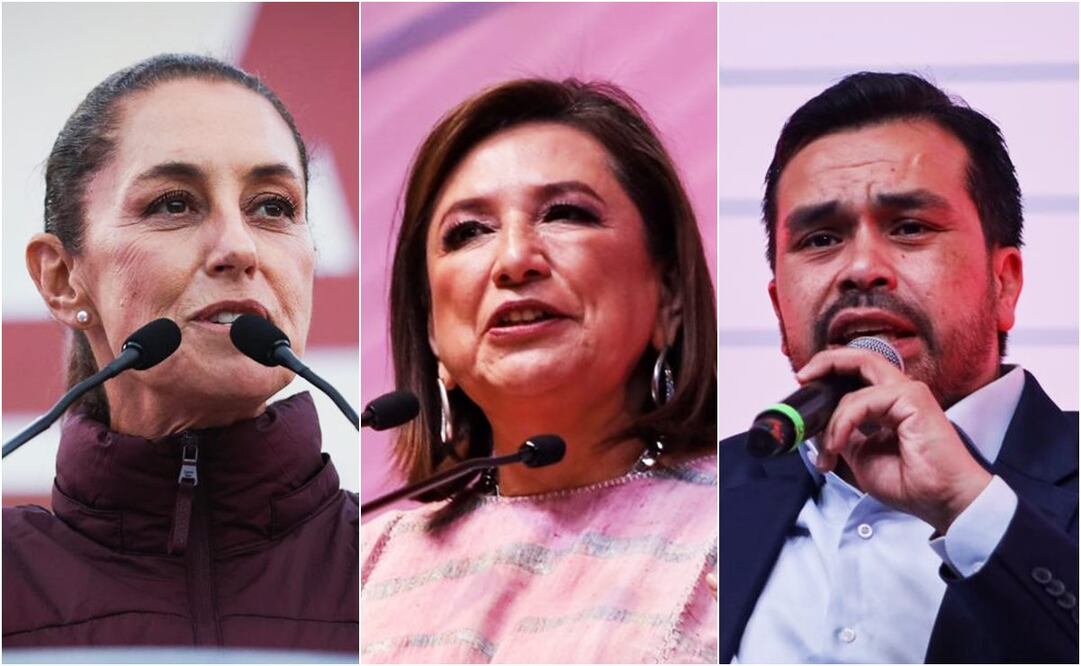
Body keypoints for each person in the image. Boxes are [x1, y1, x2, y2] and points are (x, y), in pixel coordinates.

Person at [2, 54, 358, 654]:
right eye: (174, 204)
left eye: (273, 206)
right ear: (62, 278)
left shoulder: (392, 559)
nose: (239, 248)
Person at [719, 72, 1078, 663]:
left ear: (1004, 284)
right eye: (819, 239)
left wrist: (971, 507)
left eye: (909, 227)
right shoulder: (704, 492)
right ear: (779, 307)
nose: (861, 268)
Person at [361, 79, 718, 663]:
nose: (515, 260)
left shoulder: (751, 522)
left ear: (670, 295)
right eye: (468, 232)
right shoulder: (369, 564)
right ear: (431, 329)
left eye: (566, 214)